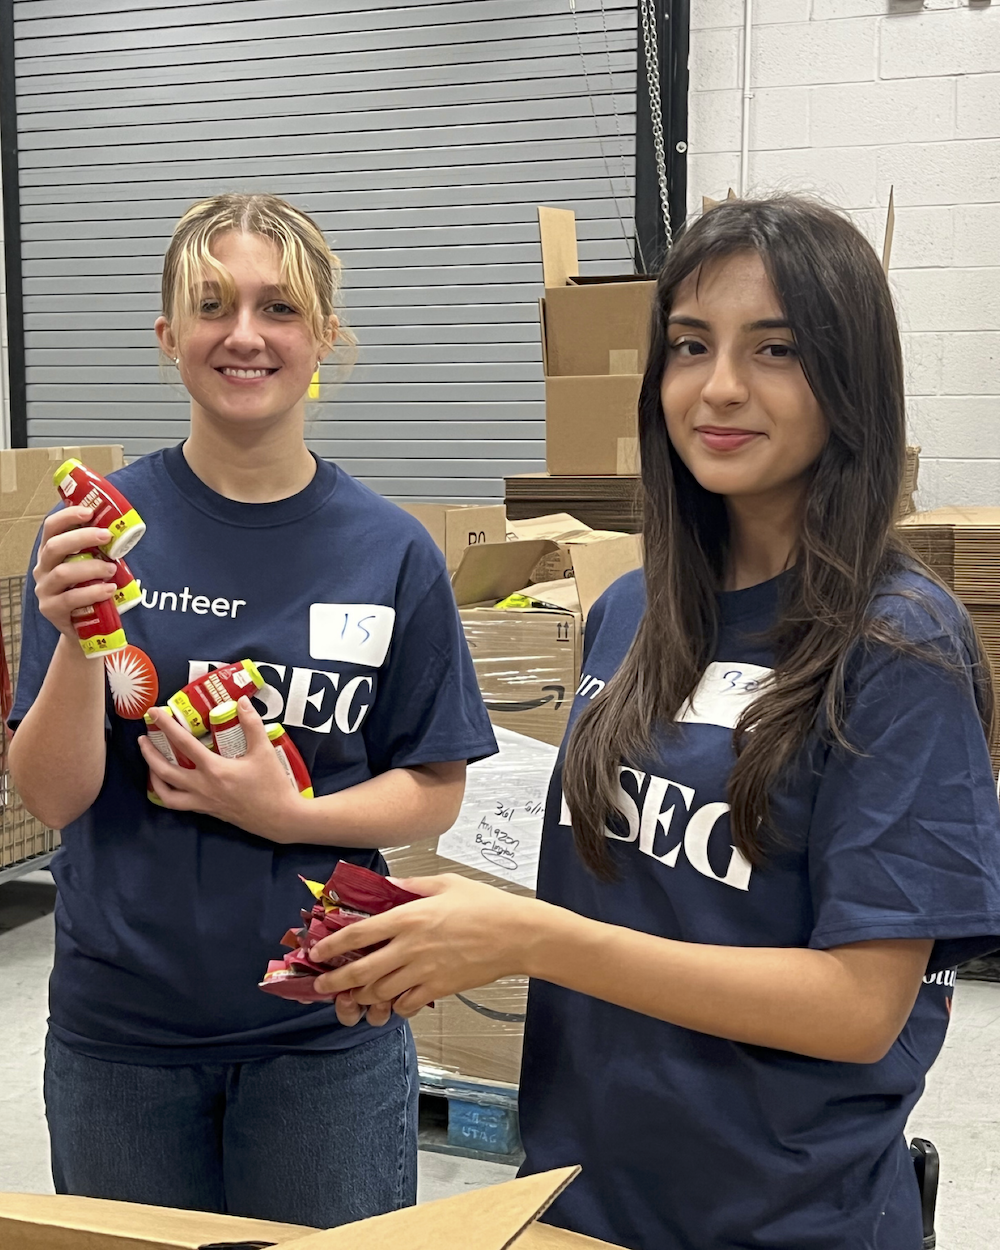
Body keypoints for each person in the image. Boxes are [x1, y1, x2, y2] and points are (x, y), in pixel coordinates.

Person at [305, 196, 1000, 1250]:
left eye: (775, 348)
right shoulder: (632, 610)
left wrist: (530, 936)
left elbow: (861, 1004)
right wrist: (436, 933)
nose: (719, 386)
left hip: (781, 1217)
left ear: (847, 378)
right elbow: (634, 893)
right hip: (579, 1196)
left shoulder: (899, 646)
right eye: (690, 345)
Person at [7, 193, 497, 1228]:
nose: (243, 333)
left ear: (323, 336)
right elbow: (54, 794)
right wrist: (68, 633)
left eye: (278, 307)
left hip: (327, 1032)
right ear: (167, 335)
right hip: (119, 1040)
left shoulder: (391, 550)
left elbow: (435, 791)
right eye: (211, 303)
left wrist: (291, 815)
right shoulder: (94, 535)